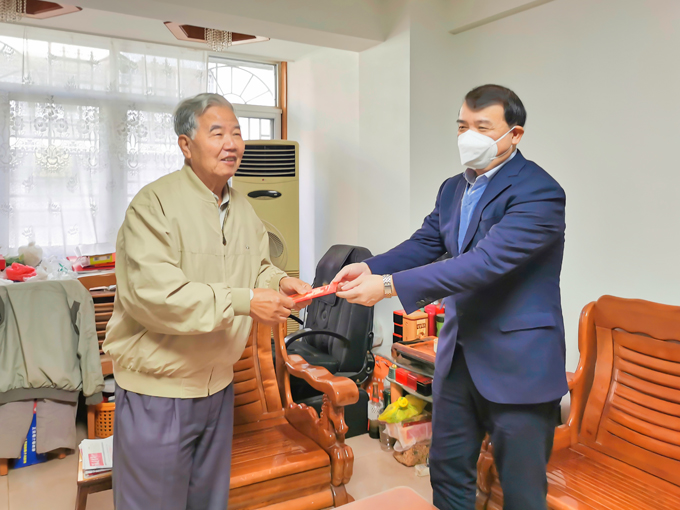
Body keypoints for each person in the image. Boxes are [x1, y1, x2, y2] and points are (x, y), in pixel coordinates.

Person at [334, 84, 567, 510]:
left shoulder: (539, 192)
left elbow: (483, 263)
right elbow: (426, 242)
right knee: (448, 474)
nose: (468, 137)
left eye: (482, 127)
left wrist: (387, 287)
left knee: (520, 492)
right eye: (463, 126)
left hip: (519, 364)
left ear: (514, 134)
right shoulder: (453, 188)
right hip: (458, 357)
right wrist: (371, 267)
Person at [102, 93, 312, 510]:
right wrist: (245, 300)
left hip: (219, 387)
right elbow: (156, 297)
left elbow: (256, 268)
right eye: (217, 133)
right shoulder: (153, 205)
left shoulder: (243, 210)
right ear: (186, 144)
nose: (232, 144)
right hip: (159, 391)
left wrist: (281, 281)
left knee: (209, 503)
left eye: (237, 133)